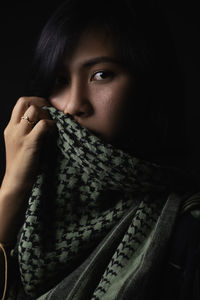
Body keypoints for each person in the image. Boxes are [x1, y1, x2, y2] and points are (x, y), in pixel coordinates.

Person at [0, 0, 200, 299]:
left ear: (149, 83)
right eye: (60, 80)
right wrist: (11, 189)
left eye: (101, 75)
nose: (71, 106)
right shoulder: (35, 210)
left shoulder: (186, 230)